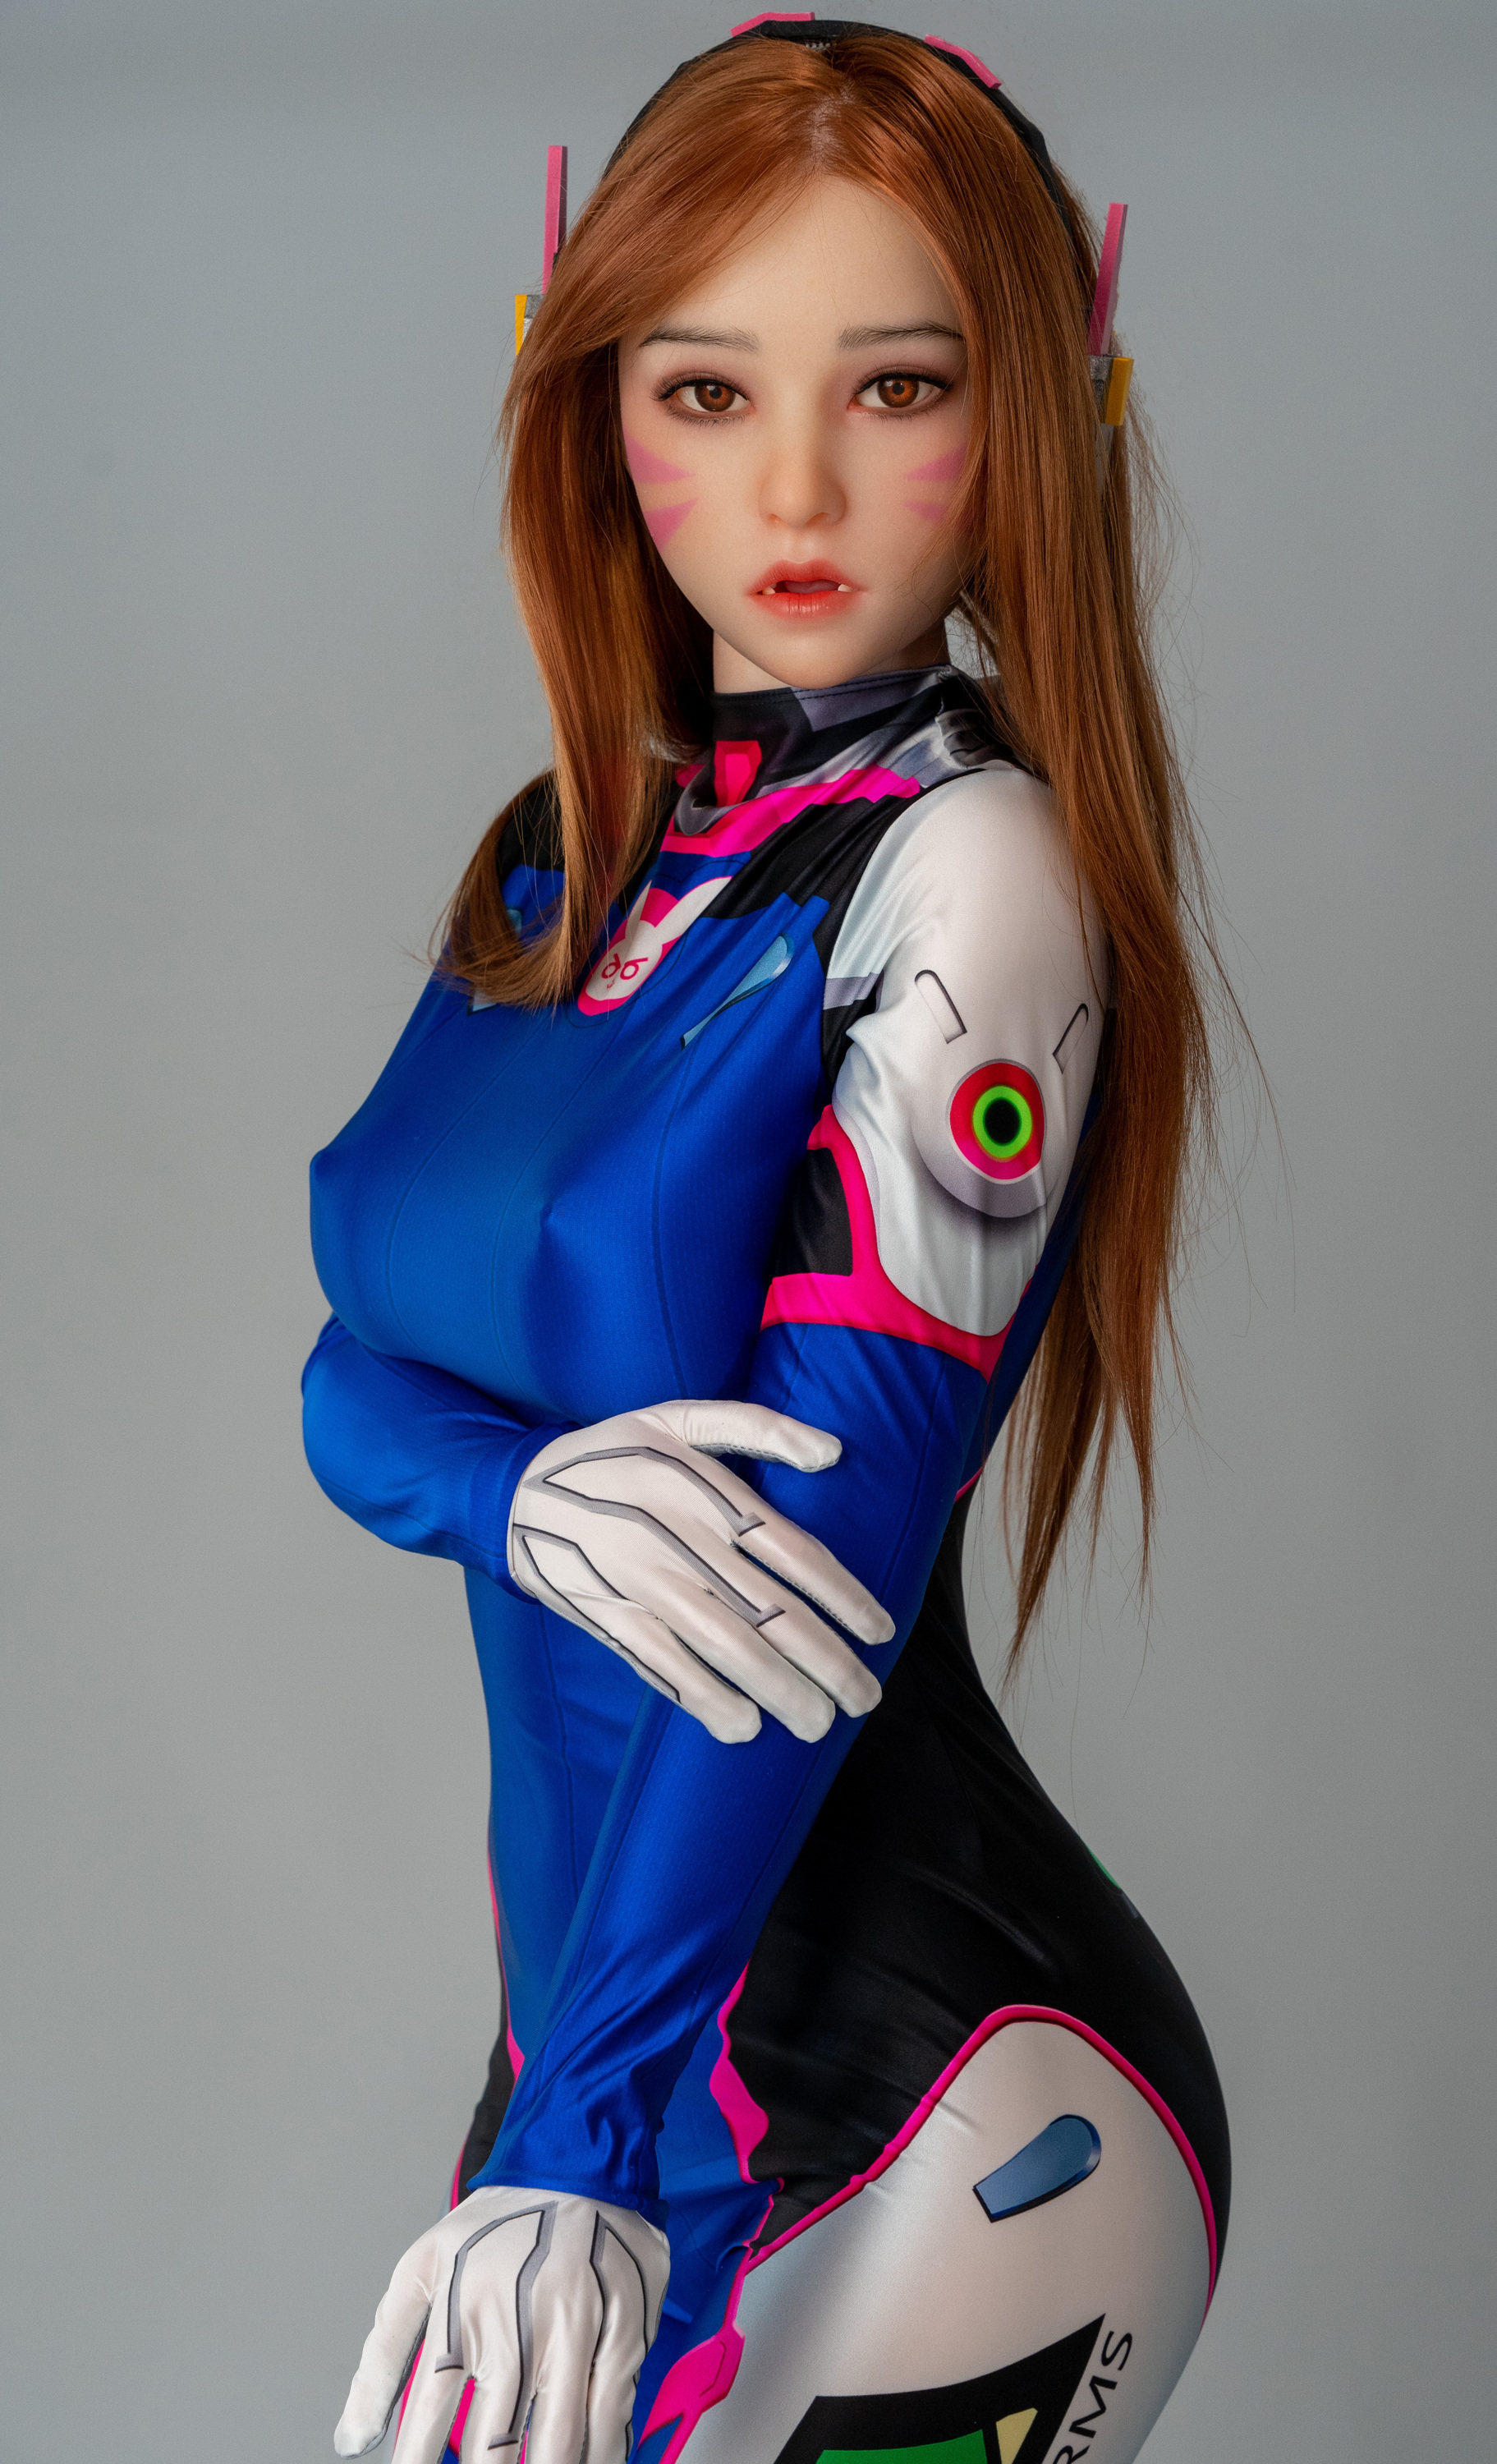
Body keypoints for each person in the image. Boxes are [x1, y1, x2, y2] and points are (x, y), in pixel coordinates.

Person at [303, 21, 1231, 2463]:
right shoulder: (562, 849)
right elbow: (346, 1367)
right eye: (705, 390)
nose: (793, 487)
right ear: (591, 389)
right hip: (595, 2064)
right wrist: (507, 1489)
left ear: (1037, 406)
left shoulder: (973, 878)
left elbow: (803, 1572)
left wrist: (584, 2135)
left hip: (938, 2112)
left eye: (895, 384)